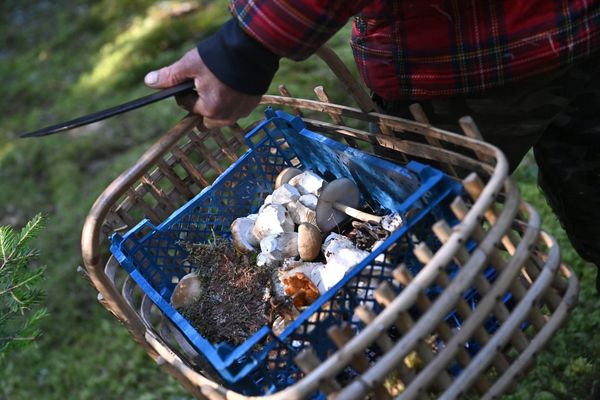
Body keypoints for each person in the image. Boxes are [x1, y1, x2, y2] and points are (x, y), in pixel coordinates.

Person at [144, 1, 600, 288]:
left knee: (416, 232)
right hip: (581, 22)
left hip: (463, 55)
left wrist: (246, 46)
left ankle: (440, 339)